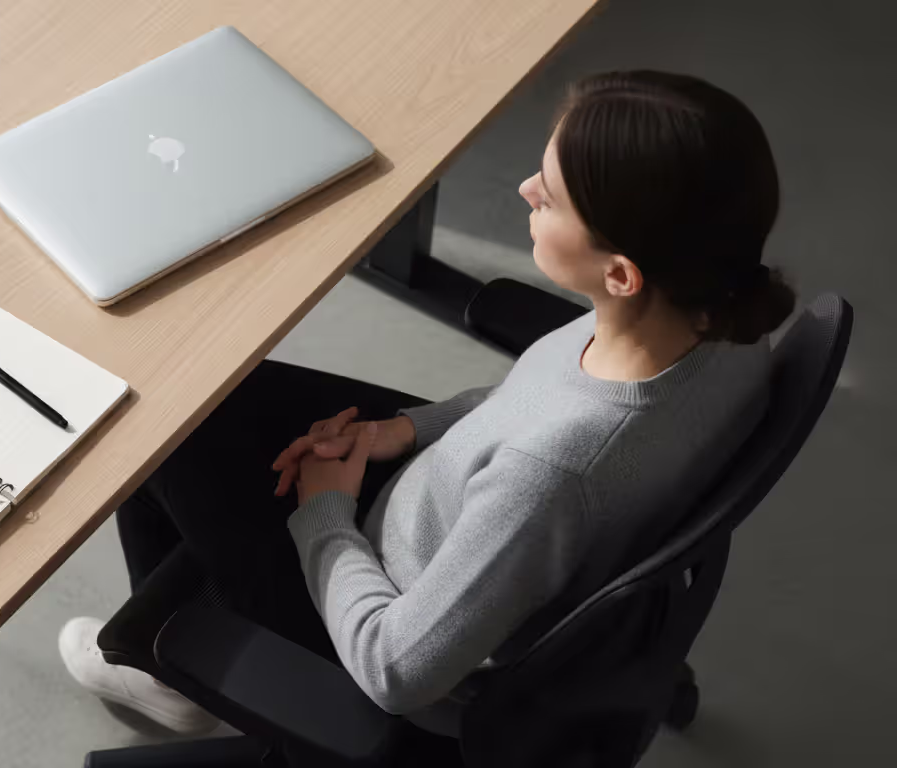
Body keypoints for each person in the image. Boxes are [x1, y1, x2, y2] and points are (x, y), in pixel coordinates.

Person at [58, 70, 797, 739]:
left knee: (158, 424)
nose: (525, 192)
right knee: (208, 394)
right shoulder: (716, 320)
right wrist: (404, 430)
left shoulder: (554, 472)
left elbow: (395, 670)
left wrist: (324, 513)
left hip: (379, 605)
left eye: (551, 192)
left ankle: (166, 673)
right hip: (453, 504)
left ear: (623, 273)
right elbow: (529, 399)